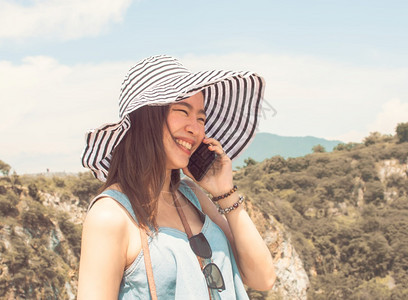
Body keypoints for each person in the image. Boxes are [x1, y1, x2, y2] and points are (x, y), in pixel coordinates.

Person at [77, 55, 276, 299]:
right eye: (183, 111)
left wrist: (224, 192)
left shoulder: (192, 197)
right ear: (145, 120)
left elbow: (263, 278)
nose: (195, 128)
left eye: (201, 118)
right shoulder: (110, 215)